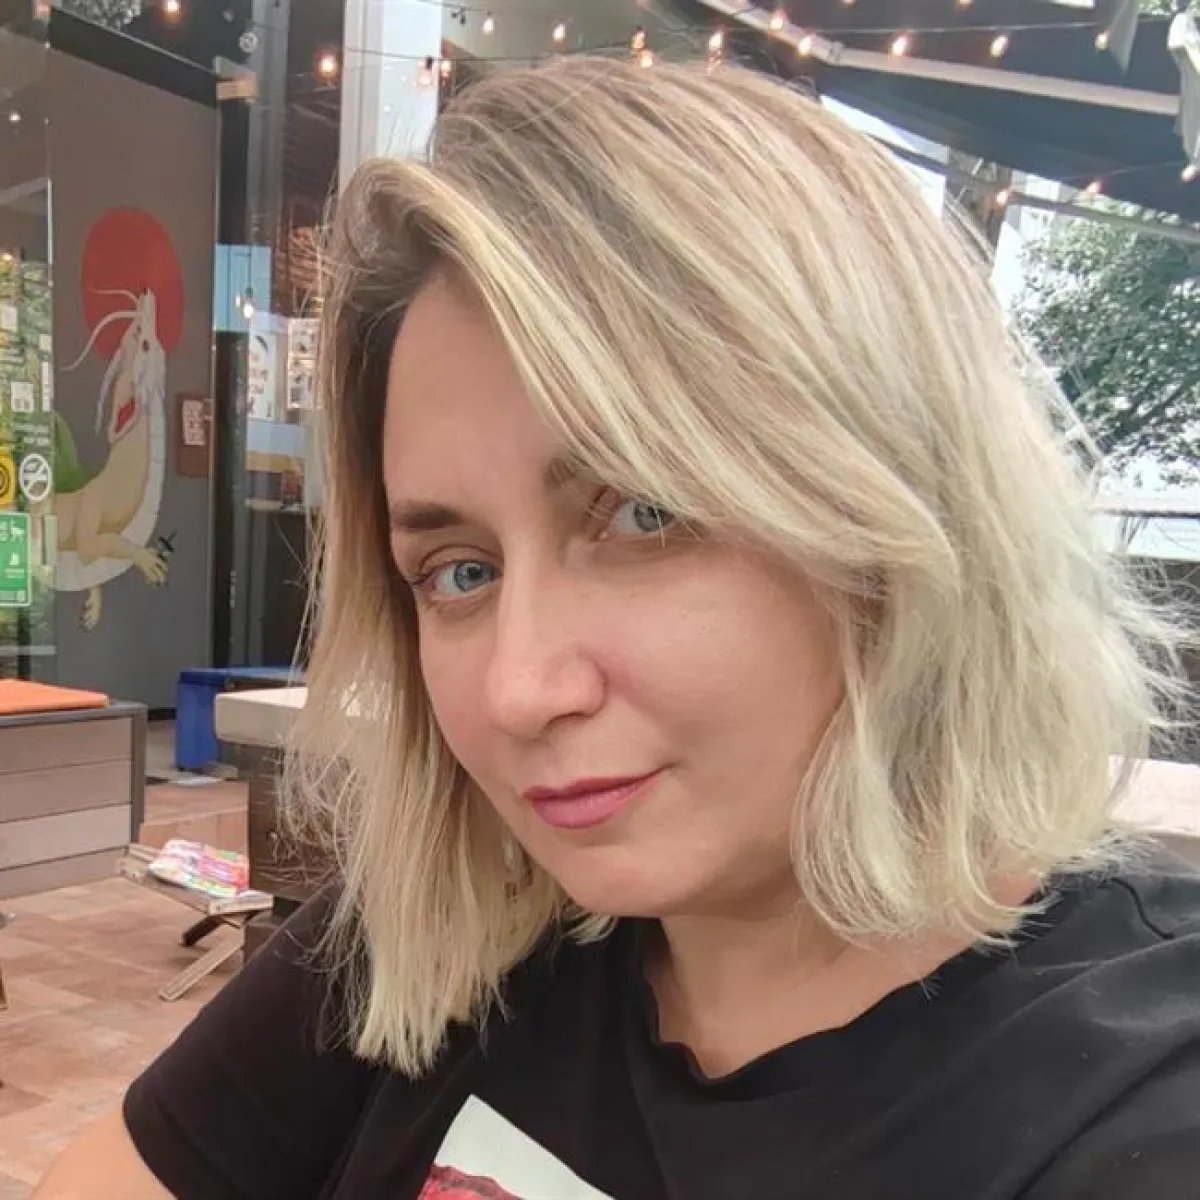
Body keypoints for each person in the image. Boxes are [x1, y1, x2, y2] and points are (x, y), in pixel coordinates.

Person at [36, 57, 1200, 1200]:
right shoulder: (440, 934)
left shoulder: (1131, 1101)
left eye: (646, 513)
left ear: (899, 503)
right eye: (459, 572)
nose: (517, 690)